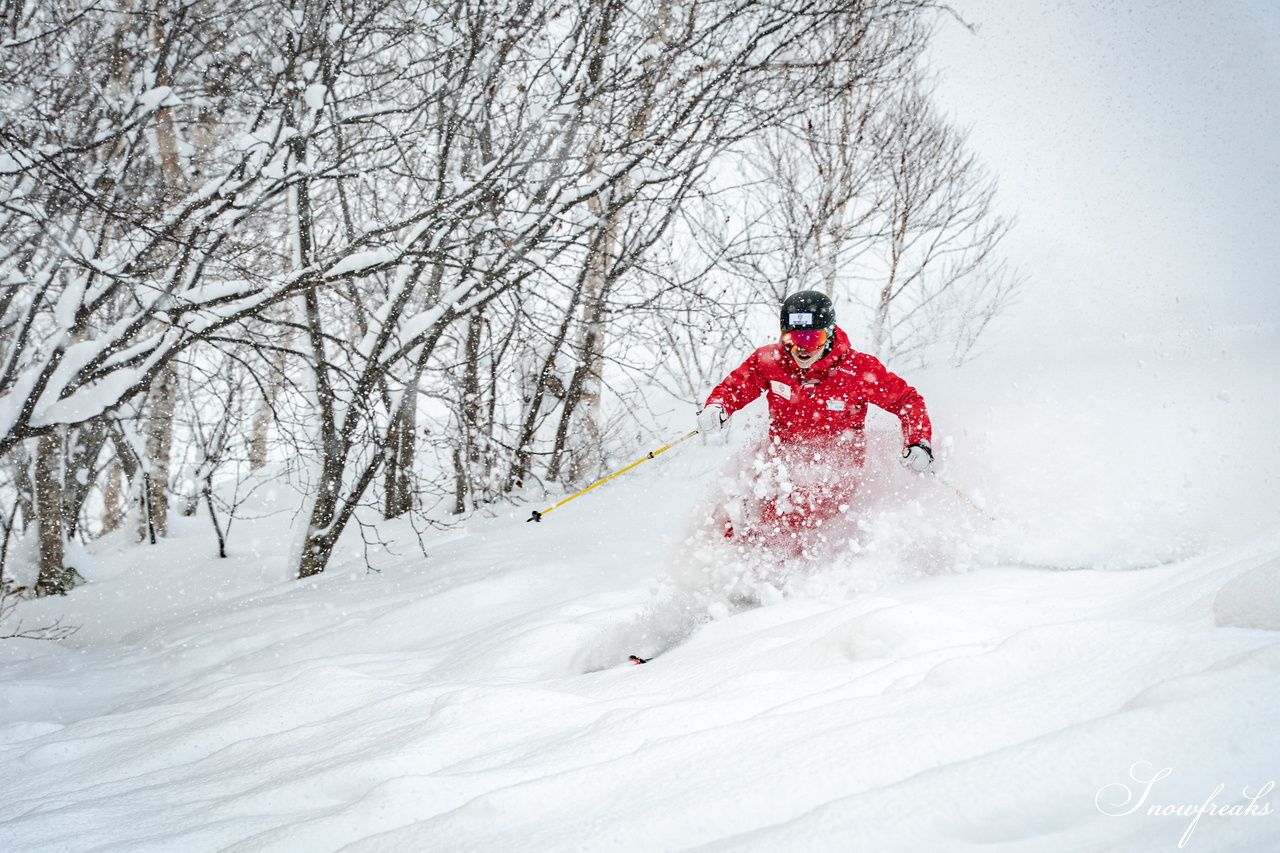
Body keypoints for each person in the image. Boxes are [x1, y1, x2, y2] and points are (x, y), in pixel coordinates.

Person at [695, 290, 933, 552]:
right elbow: (735, 387)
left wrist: (918, 442)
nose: (802, 348)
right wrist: (718, 406)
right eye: (793, 338)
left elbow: (907, 401)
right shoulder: (770, 361)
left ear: (829, 334)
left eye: (812, 338)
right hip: (780, 452)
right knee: (737, 507)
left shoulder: (857, 369)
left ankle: (773, 580)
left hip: (836, 462)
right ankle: (719, 567)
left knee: (782, 516)